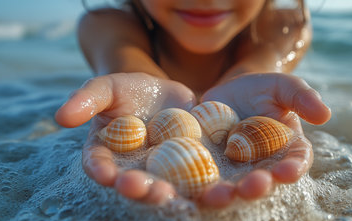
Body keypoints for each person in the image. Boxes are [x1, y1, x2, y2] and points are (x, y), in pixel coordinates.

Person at [55, 0, 331, 208]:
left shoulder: (286, 26)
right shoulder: (103, 23)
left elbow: (255, 69)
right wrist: (149, 99)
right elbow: (125, 59)